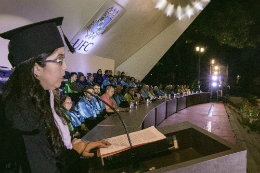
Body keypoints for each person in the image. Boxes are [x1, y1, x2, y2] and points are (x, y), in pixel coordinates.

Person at [0, 17, 110, 173]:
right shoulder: (21, 112)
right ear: (36, 68)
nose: (65, 66)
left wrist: (78, 148)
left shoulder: (44, 97)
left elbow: (51, 151)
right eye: (59, 59)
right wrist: (75, 152)